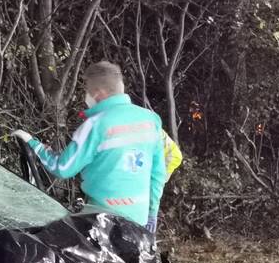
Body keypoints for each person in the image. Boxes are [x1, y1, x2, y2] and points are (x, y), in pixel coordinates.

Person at [13, 61, 167, 233]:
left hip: (102, 220)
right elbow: (158, 173)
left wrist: (34, 145)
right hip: (139, 218)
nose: (86, 95)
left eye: (87, 90)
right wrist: (152, 212)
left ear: (98, 93)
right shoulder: (150, 120)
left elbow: (62, 168)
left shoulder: (95, 125)